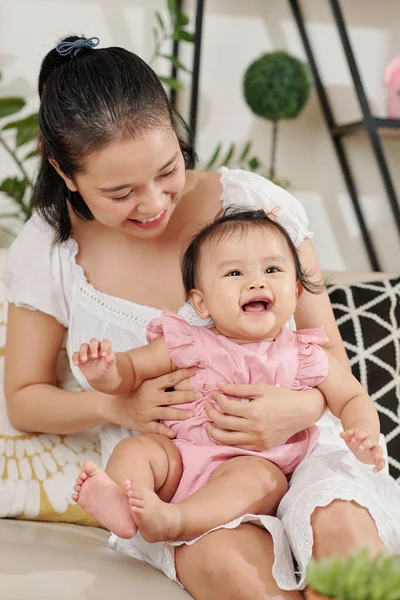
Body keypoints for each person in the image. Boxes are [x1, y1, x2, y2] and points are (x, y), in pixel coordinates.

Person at [3, 35, 399, 599]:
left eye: (167, 170)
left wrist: (301, 406)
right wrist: (115, 403)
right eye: (119, 192)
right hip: (183, 483)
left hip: (306, 446)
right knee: (237, 572)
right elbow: (24, 396)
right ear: (65, 174)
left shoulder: (257, 206)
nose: (154, 203)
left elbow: (325, 351)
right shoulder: (49, 249)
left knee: (347, 544)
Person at [71, 207, 385, 545]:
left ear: (295, 294)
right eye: (235, 273)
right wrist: (105, 372)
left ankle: (176, 520)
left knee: (260, 479)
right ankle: (122, 504)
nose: (256, 280)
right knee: (135, 449)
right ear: (201, 302)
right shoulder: (190, 341)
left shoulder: (304, 355)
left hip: (252, 465)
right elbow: (131, 370)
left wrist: (364, 432)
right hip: (180, 457)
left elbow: (352, 397)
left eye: (272, 269)